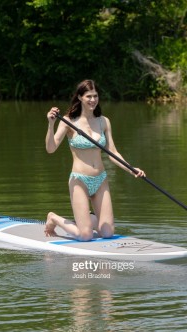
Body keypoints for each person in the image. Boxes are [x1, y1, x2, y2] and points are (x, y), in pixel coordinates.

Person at [45, 79, 146, 241]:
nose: (93, 100)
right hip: (79, 180)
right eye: (88, 96)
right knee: (85, 236)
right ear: (79, 97)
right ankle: (54, 218)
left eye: (95, 96)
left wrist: (132, 169)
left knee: (107, 233)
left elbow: (113, 152)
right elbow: (50, 149)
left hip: (100, 179)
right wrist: (51, 124)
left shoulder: (104, 121)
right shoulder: (68, 121)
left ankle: (87, 219)